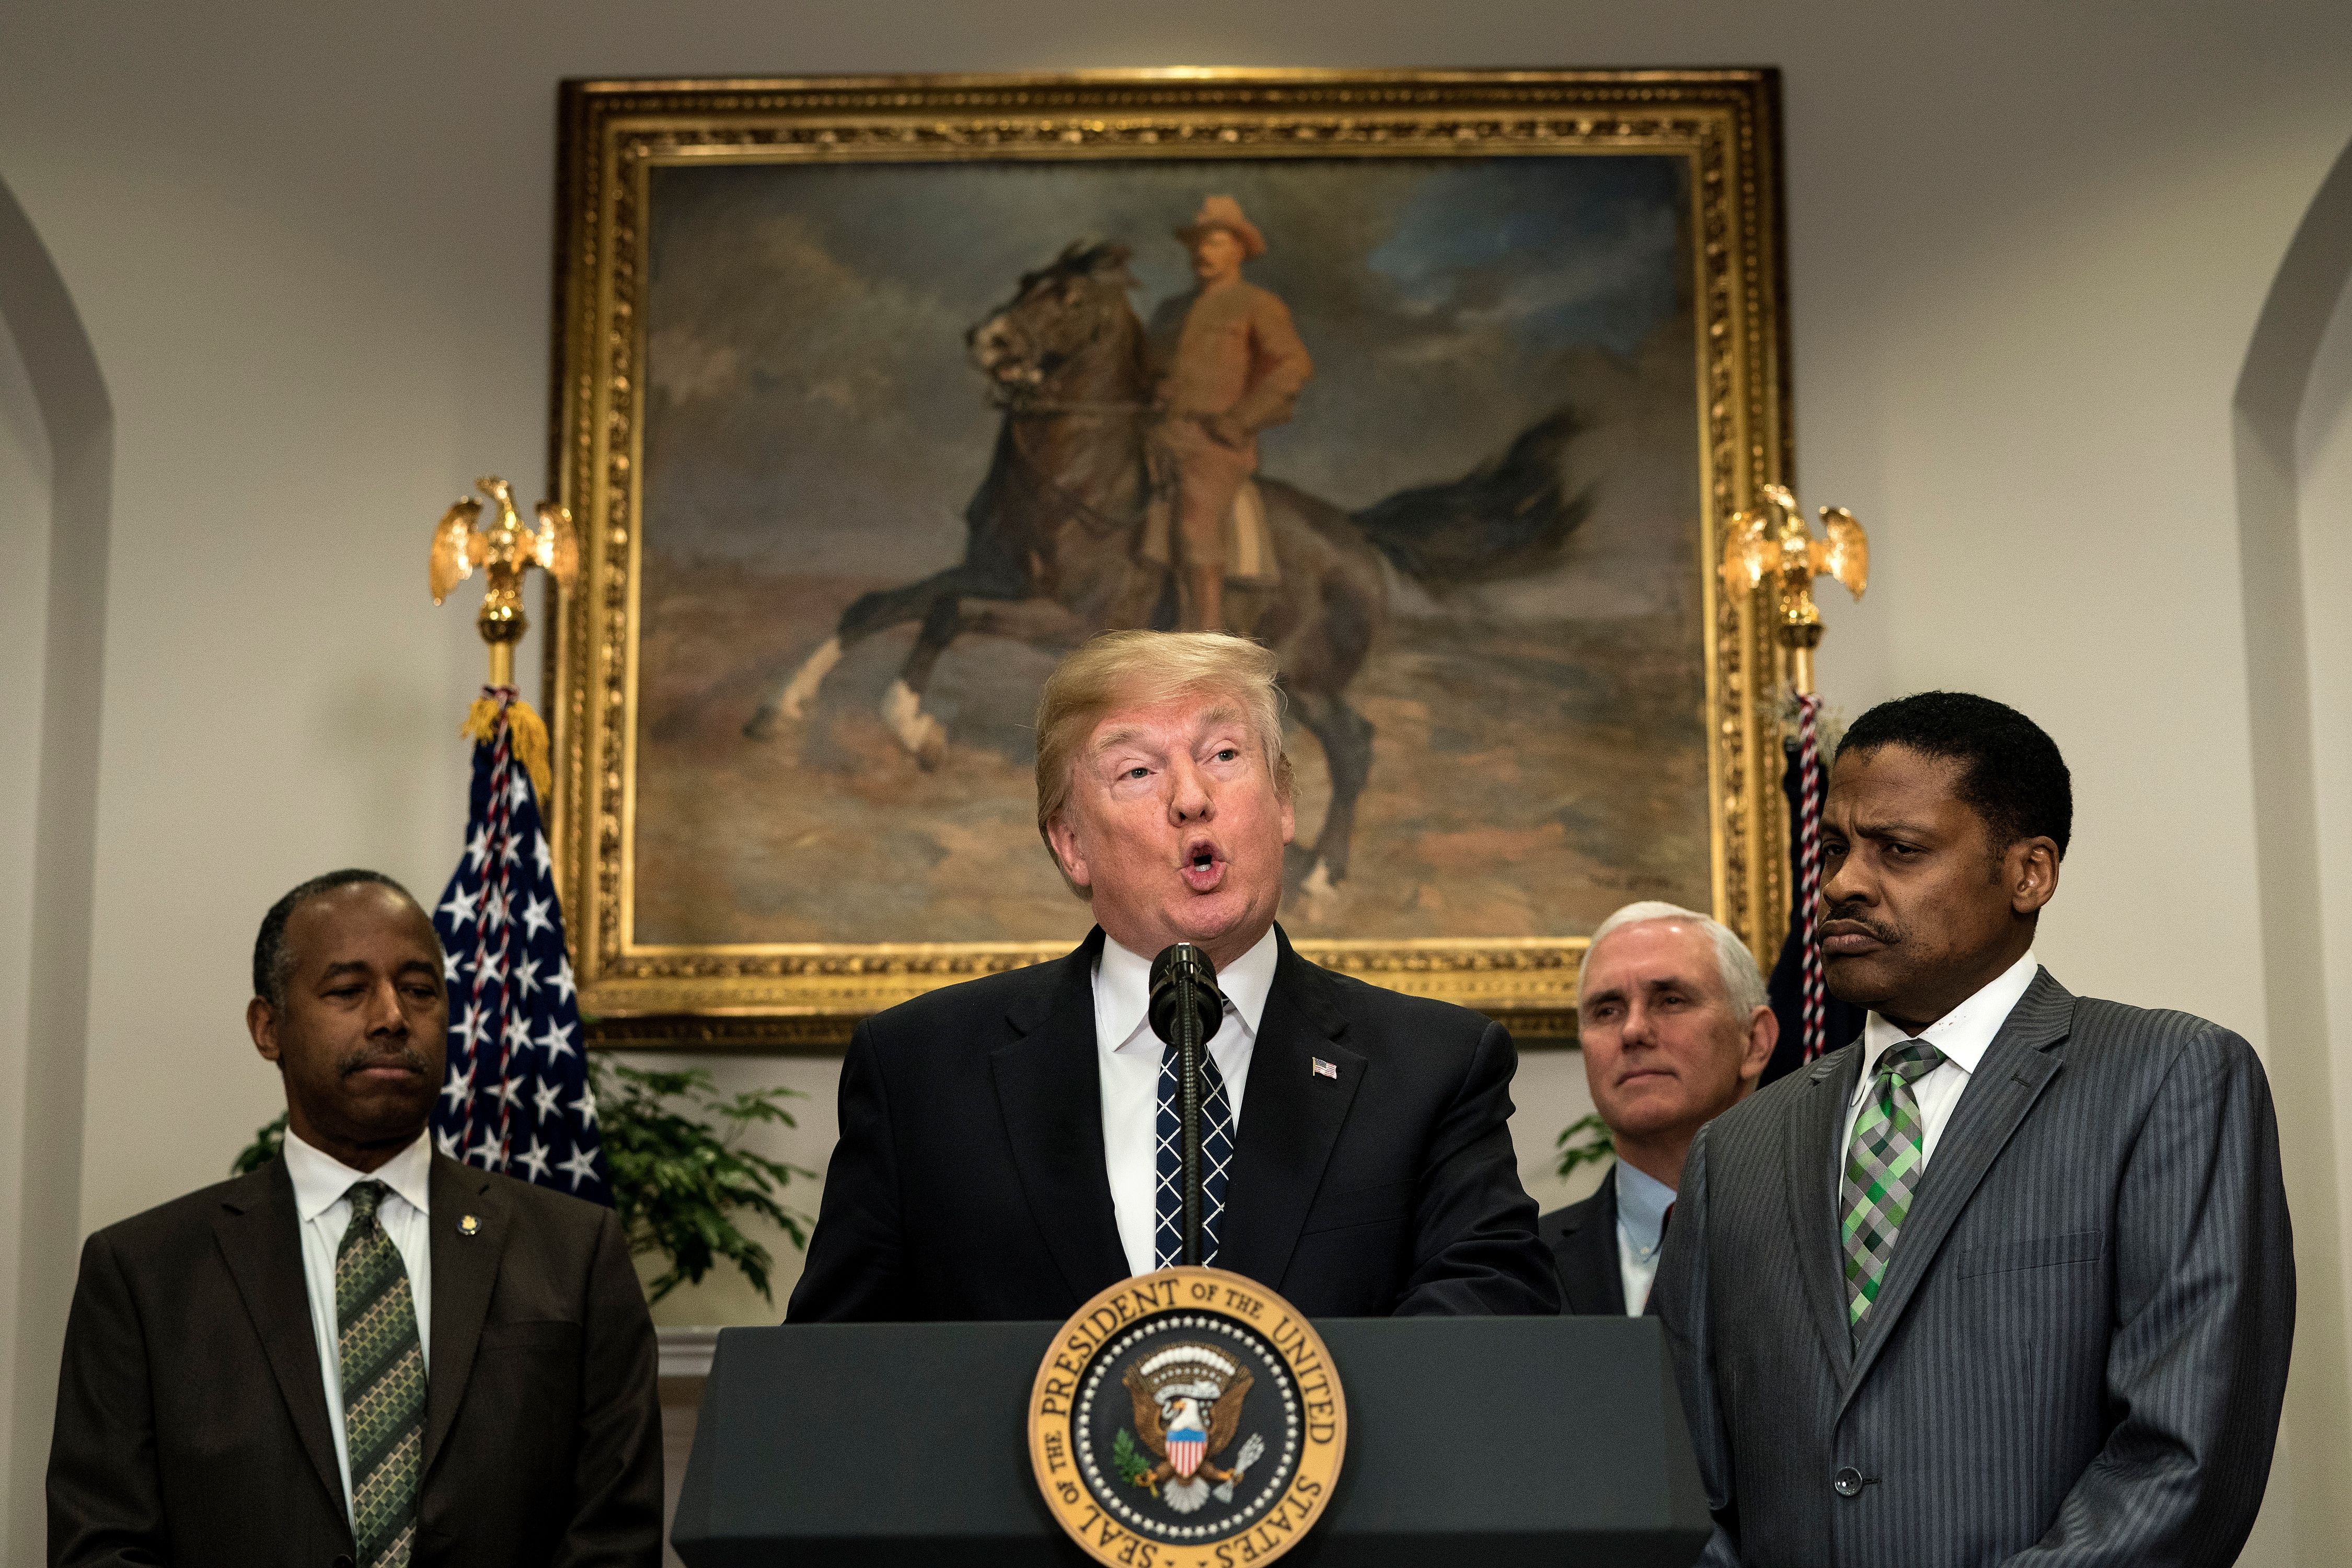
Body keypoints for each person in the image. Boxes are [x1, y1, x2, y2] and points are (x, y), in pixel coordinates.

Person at [1653, 693, 2293, 1568]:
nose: (1841, 882)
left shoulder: (2168, 1080)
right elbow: (1683, 1477)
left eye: (1899, 850)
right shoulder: (1737, 1147)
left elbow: (2183, 1461)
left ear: (2030, 872)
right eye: (1834, 849)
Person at [789, 630, 1557, 1320]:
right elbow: (837, 1385)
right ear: (1070, 845)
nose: (1193, 799)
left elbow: (1491, 1328)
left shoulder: (1433, 1067)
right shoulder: (920, 1071)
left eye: (1224, 756)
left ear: (1284, 802)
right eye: (1136, 772)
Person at [48, 870, 661, 1568]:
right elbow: (102, 1545)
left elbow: (616, 1538)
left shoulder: (576, 1252)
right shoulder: (144, 1275)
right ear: (268, 1027)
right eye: (348, 991)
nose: (392, 1016)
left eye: (420, 990)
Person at [1539, 902, 1775, 1314]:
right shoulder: (1520, 1267)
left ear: (1755, 1041)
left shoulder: (1837, 1238)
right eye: (1607, 1011)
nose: (1632, 1031)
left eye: (1670, 1001)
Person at [1143, 196, 1313, 636]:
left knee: (1195, 525)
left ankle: (1205, 636)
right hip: (1159, 436)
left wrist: (1239, 421)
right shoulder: (1170, 311)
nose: (1204, 254)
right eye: (1199, 244)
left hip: (1213, 443)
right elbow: (1148, 369)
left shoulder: (1257, 304)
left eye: (1217, 243)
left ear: (1240, 250)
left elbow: (1292, 367)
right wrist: (1156, 387)